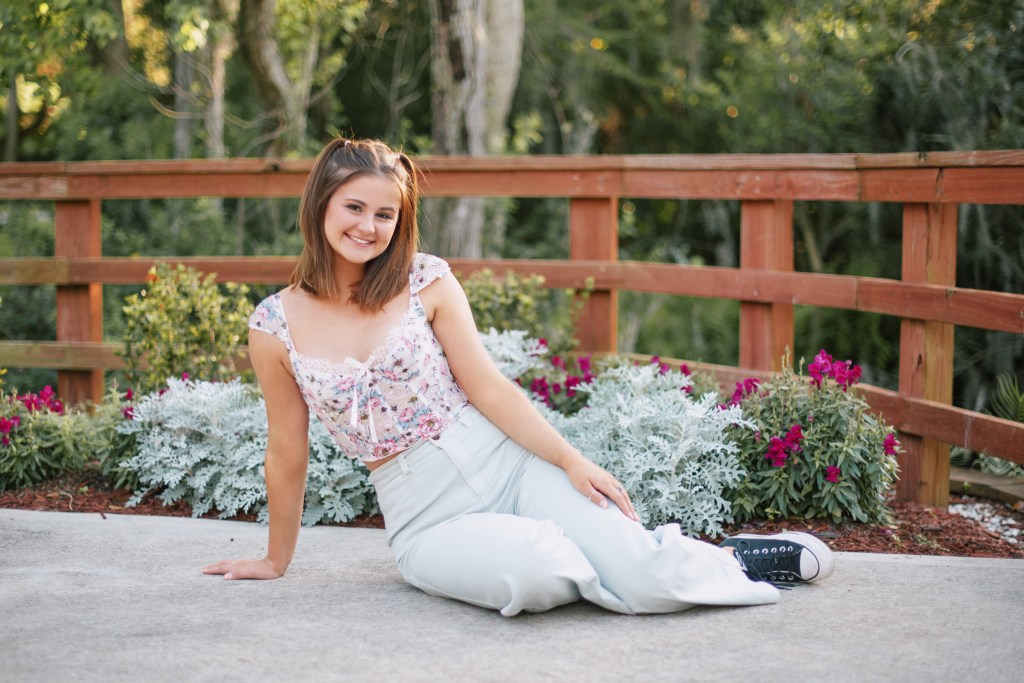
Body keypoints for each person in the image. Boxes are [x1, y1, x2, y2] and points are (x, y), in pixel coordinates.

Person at [202, 137, 834, 616]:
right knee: (536, 572)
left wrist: (570, 461)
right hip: (424, 516)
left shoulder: (425, 280)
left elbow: (487, 387)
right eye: (355, 207)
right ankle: (613, 554)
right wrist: (275, 559)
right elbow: (287, 451)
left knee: (643, 579)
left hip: (510, 466)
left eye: (386, 214)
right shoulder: (274, 326)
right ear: (320, 204)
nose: (368, 227)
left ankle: (723, 559)